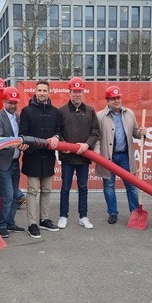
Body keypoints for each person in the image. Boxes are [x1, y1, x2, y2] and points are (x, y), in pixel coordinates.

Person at [95, 85, 146, 224]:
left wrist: (141, 133)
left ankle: (135, 212)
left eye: (118, 98)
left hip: (125, 156)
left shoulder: (129, 113)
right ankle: (112, 213)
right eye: (113, 99)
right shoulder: (100, 116)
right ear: (107, 100)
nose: (116, 101)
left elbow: (135, 132)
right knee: (109, 186)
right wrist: (98, 154)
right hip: (108, 157)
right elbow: (96, 137)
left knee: (132, 185)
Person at [57, 77, 101, 229]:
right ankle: (63, 216)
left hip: (83, 157)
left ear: (83, 93)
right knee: (65, 187)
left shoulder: (90, 111)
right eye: (74, 92)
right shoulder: (61, 111)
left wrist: (87, 144)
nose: (77, 94)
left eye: (79, 92)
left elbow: (96, 132)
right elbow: (57, 132)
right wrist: (64, 146)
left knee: (83, 187)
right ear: (69, 93)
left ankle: (84, 216)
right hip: (68, 156)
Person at [20, 80, 62, 238]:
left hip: (49, 157)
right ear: (35, 92)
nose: (42, 93)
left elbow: (59, 131)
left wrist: (57, 137)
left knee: (46, 190)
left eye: (45, 90)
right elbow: (23, 133)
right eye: (40, 90)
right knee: (32, 191)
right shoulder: (26, 111)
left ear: (49, 92)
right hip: (32, 157)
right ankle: (32, 223)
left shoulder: (55, 112)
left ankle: (44, 219)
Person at [0, 87, 29, 238]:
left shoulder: (17, 117)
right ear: (3, 101)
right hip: (2, 164)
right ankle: (1, 225)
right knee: (7, 195)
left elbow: (22, 135)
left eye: (15, 103)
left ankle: (10, 222)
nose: (13, 105)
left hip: (14, 162)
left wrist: (23, 144)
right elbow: (1, 141)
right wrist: (18, 143)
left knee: (14, 197)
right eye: (10, 102)